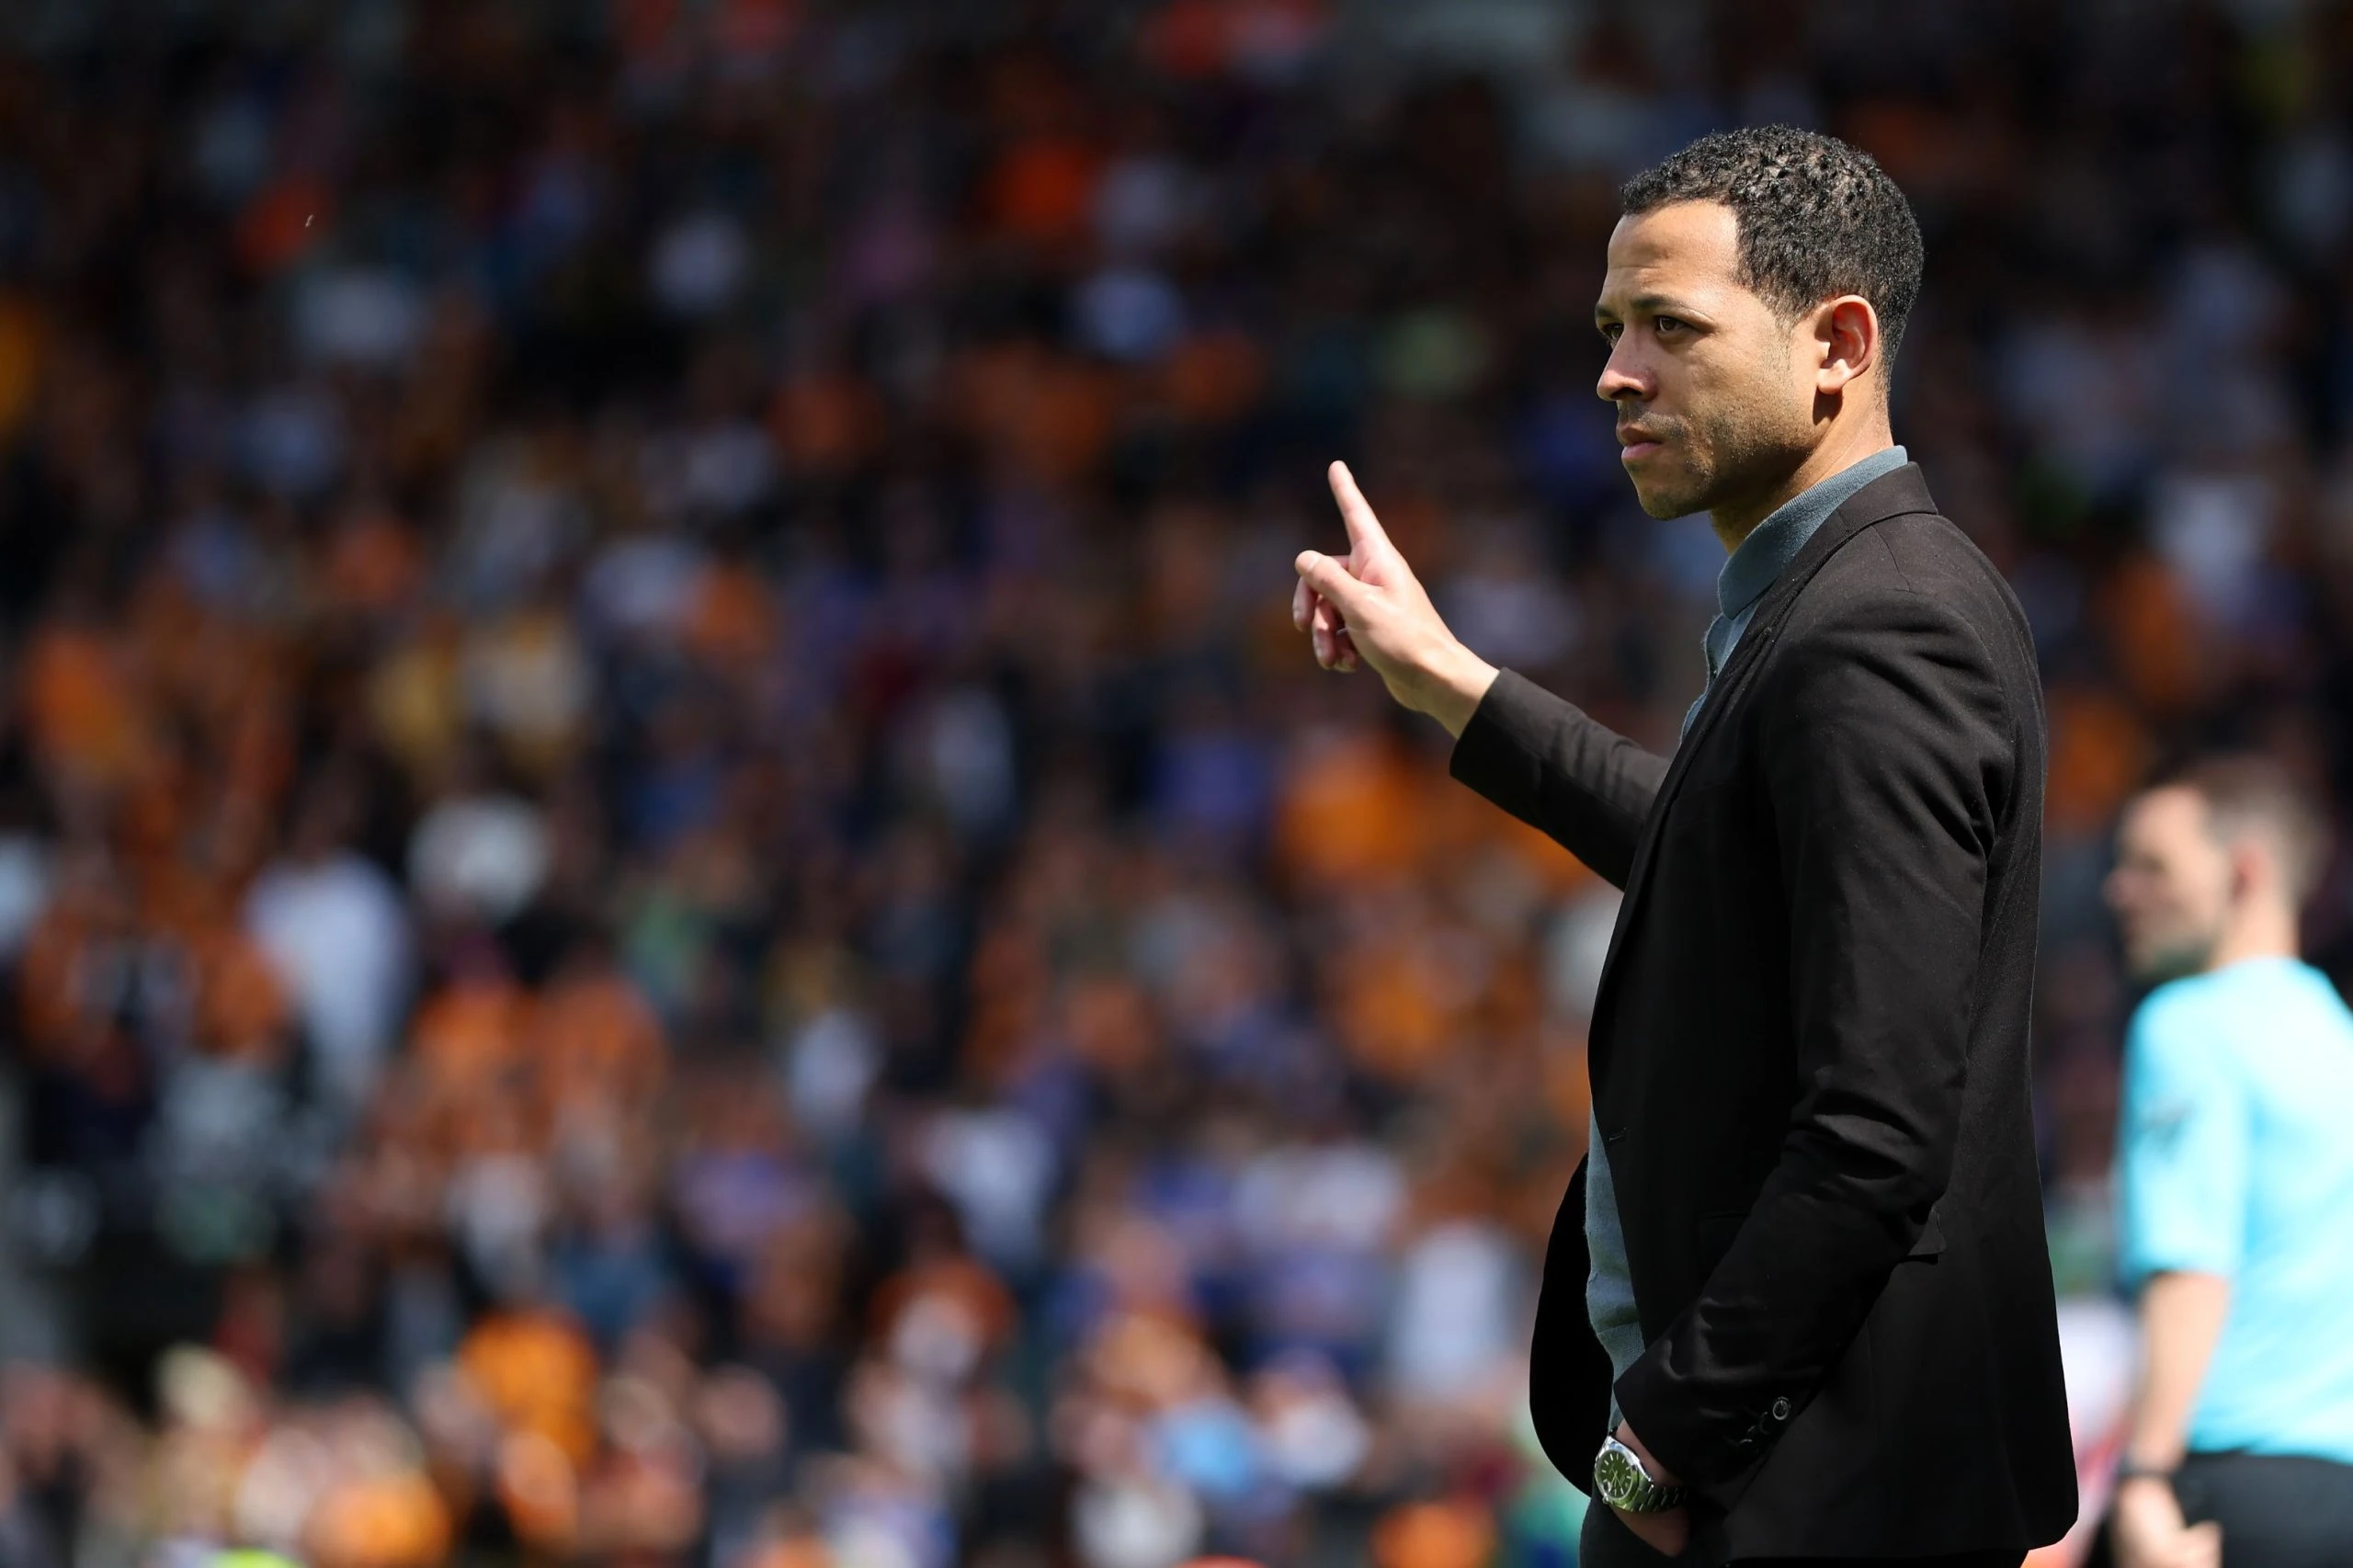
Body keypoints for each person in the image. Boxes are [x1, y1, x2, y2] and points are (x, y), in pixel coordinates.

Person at [1289, 127, 2075, 1564]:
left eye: (1671, 326)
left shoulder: (1881, 628)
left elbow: (1879, 1128)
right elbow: (1719, 863)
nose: (1615, 373)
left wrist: (1666, 1444)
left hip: (1792, 1500)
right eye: (1611, 329)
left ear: (1837, 344)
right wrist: (1451, 682)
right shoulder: (1839, 599)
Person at [2094, 759, 2353, 1568]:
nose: (2119, 890)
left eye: (2153, 866)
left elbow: (2191, 1267)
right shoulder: (2338, 1038)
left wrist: (2144, 1477)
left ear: (2245, 872)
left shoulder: (2186, 1027)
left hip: (2220, 1493)